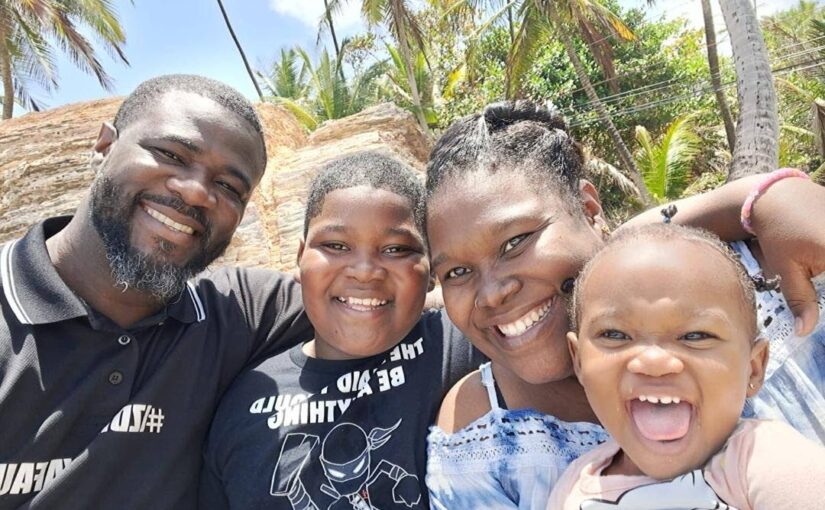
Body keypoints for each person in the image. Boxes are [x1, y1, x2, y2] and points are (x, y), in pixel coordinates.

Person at [424, 100, 825, 509]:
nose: (492, 293)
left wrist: (771, 195)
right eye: (456, 273)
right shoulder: (480, 444)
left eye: (515, 242)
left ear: (589, 209)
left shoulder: (758, 284)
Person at [0, 75, 312, 509]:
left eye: (229, 187)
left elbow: (377, 300)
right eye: (170, 154)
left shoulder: (235, 314)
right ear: (105, 146)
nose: (196, 192)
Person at [199, 151, 479, 510]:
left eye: (396, 249)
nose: (364, 271)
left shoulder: (463, 344)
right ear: (300, 258)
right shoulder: (243, 405)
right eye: (335, 246)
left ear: (430, 270)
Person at [549, 223, 825, 509]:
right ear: (579, 360)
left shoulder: (767, 459)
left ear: (753, 368)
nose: (654, 362)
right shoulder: (573, 486)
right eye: (615, 335)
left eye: (695, 336)